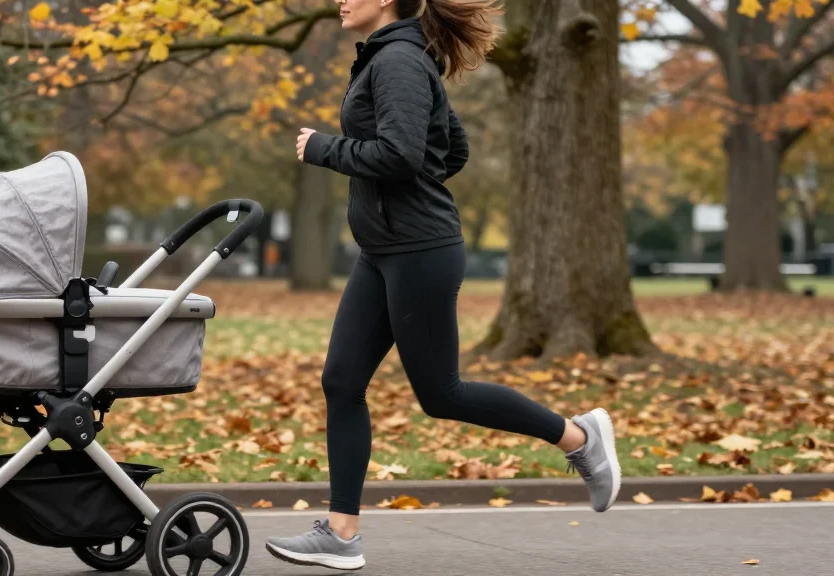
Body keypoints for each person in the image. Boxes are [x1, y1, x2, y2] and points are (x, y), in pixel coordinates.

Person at [265, 0, 621, 570]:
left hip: (419, 253)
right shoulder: (394, 56)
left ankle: (578, 438)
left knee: (442, 394)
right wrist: (401, 196)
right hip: (384, 251)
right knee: (341, 379)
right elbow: (451, 147)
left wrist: (324, 148)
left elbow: (403, 153)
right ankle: (341, 533)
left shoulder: (399, 60)